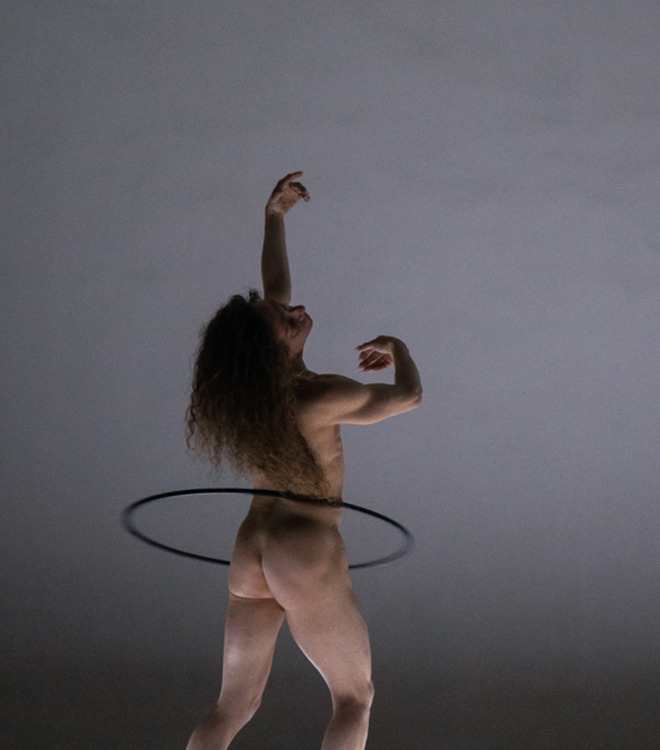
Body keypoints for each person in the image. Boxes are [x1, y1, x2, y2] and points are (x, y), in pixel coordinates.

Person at [183, 173, 422, 750]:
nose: (296, 312)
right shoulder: (319, 396)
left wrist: (275, 217)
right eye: (286, 323)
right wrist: (398, 347)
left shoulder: (257, 393)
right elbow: (410, 397)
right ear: (273, 352)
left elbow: (274, 292)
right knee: (354, 697)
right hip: (303, 547)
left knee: (232, 705)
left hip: (252, 548)